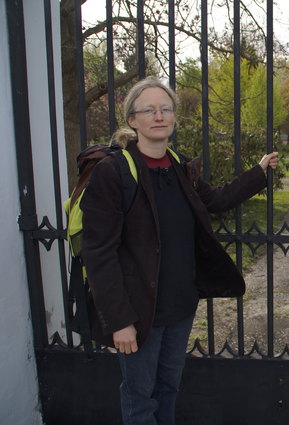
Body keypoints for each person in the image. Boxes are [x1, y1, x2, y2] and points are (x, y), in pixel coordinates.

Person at [80, 76, 278, 425]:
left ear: (174, 117)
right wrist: (120, 321)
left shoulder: (181, 166)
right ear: (132, 120)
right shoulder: (113, 173)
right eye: (149, 110)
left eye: (166, 109)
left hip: (180, 305)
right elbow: (99, 252)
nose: (159, 116)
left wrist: (258, 172)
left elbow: (216, 200)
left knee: (168, 386)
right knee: (140, 397)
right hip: (138, 311)